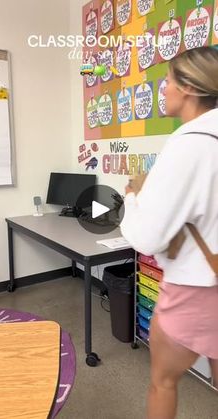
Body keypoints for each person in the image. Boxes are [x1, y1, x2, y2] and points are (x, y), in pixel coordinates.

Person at [120, 46, 218, 419]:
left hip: (194, 287)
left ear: (190, 87)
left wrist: (131, 198)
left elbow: (147, 238)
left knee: (162, 382)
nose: (163, 89)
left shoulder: (187, 143)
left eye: (168, 81)